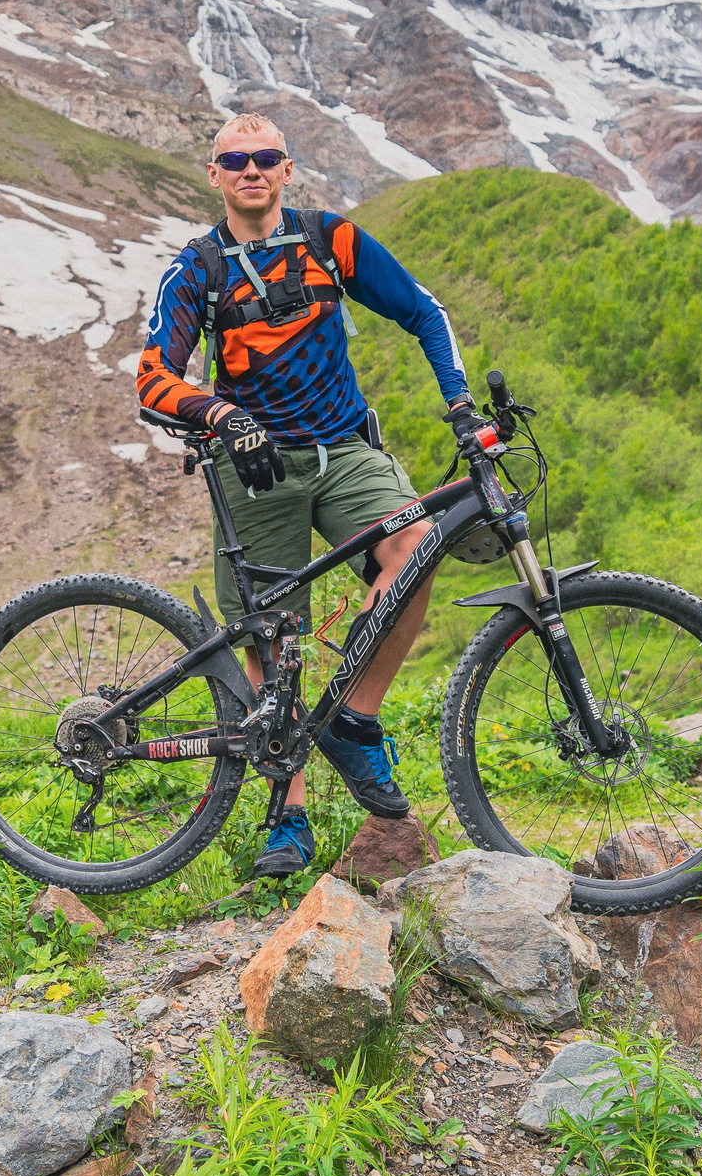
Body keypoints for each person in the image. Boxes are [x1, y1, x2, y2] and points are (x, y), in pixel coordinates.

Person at [137, 113, 488, 878]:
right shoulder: (196, 268)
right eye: (236, 160)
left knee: (418, 547)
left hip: (344, 450)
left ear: (287, 169)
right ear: (215, 173)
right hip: (255, 467)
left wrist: (460, 403)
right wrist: (226, 416)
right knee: (272, 638)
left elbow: (425, 311)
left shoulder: (331, 240)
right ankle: (286, 818)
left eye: (265, 158)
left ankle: (354, 717)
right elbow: (153, 379)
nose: (251, 170)